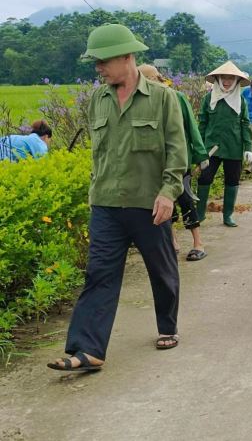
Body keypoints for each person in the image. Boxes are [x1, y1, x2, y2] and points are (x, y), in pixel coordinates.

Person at [47, 24, 187, 372]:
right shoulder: (99, 98)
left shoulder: (163, 98)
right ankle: (88, 350)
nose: (98, 68)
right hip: (107, 204)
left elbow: (176, 152)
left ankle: (167, 325)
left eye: (102, 61)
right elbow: (100, 155)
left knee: (162, 270)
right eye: (95, 62)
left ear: (127, 57)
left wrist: (169, 193)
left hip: (149, 203)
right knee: (99, 274)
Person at [138, 64, 210, 262]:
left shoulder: (176, 97)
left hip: (178, 160)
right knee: (162, 203)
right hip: (154, 163)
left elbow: (191, 127)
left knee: (185, 199)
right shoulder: (141, 102)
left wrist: (201, 155)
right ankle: (173, 242)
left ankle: (198, 243)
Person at [196, 61, 252, 228]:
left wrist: (248, 148)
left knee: (232, 180)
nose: (227, 82)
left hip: (233, 148)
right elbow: (202, 124)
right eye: (223, 78)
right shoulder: (209, 99)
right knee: (204, 178)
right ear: (218, 80)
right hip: (211, 148)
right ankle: (200, 214)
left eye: (230, 78)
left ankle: (228, 215)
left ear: (236, 81)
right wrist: (199, 149)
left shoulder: (241, 101)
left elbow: (245, 124)